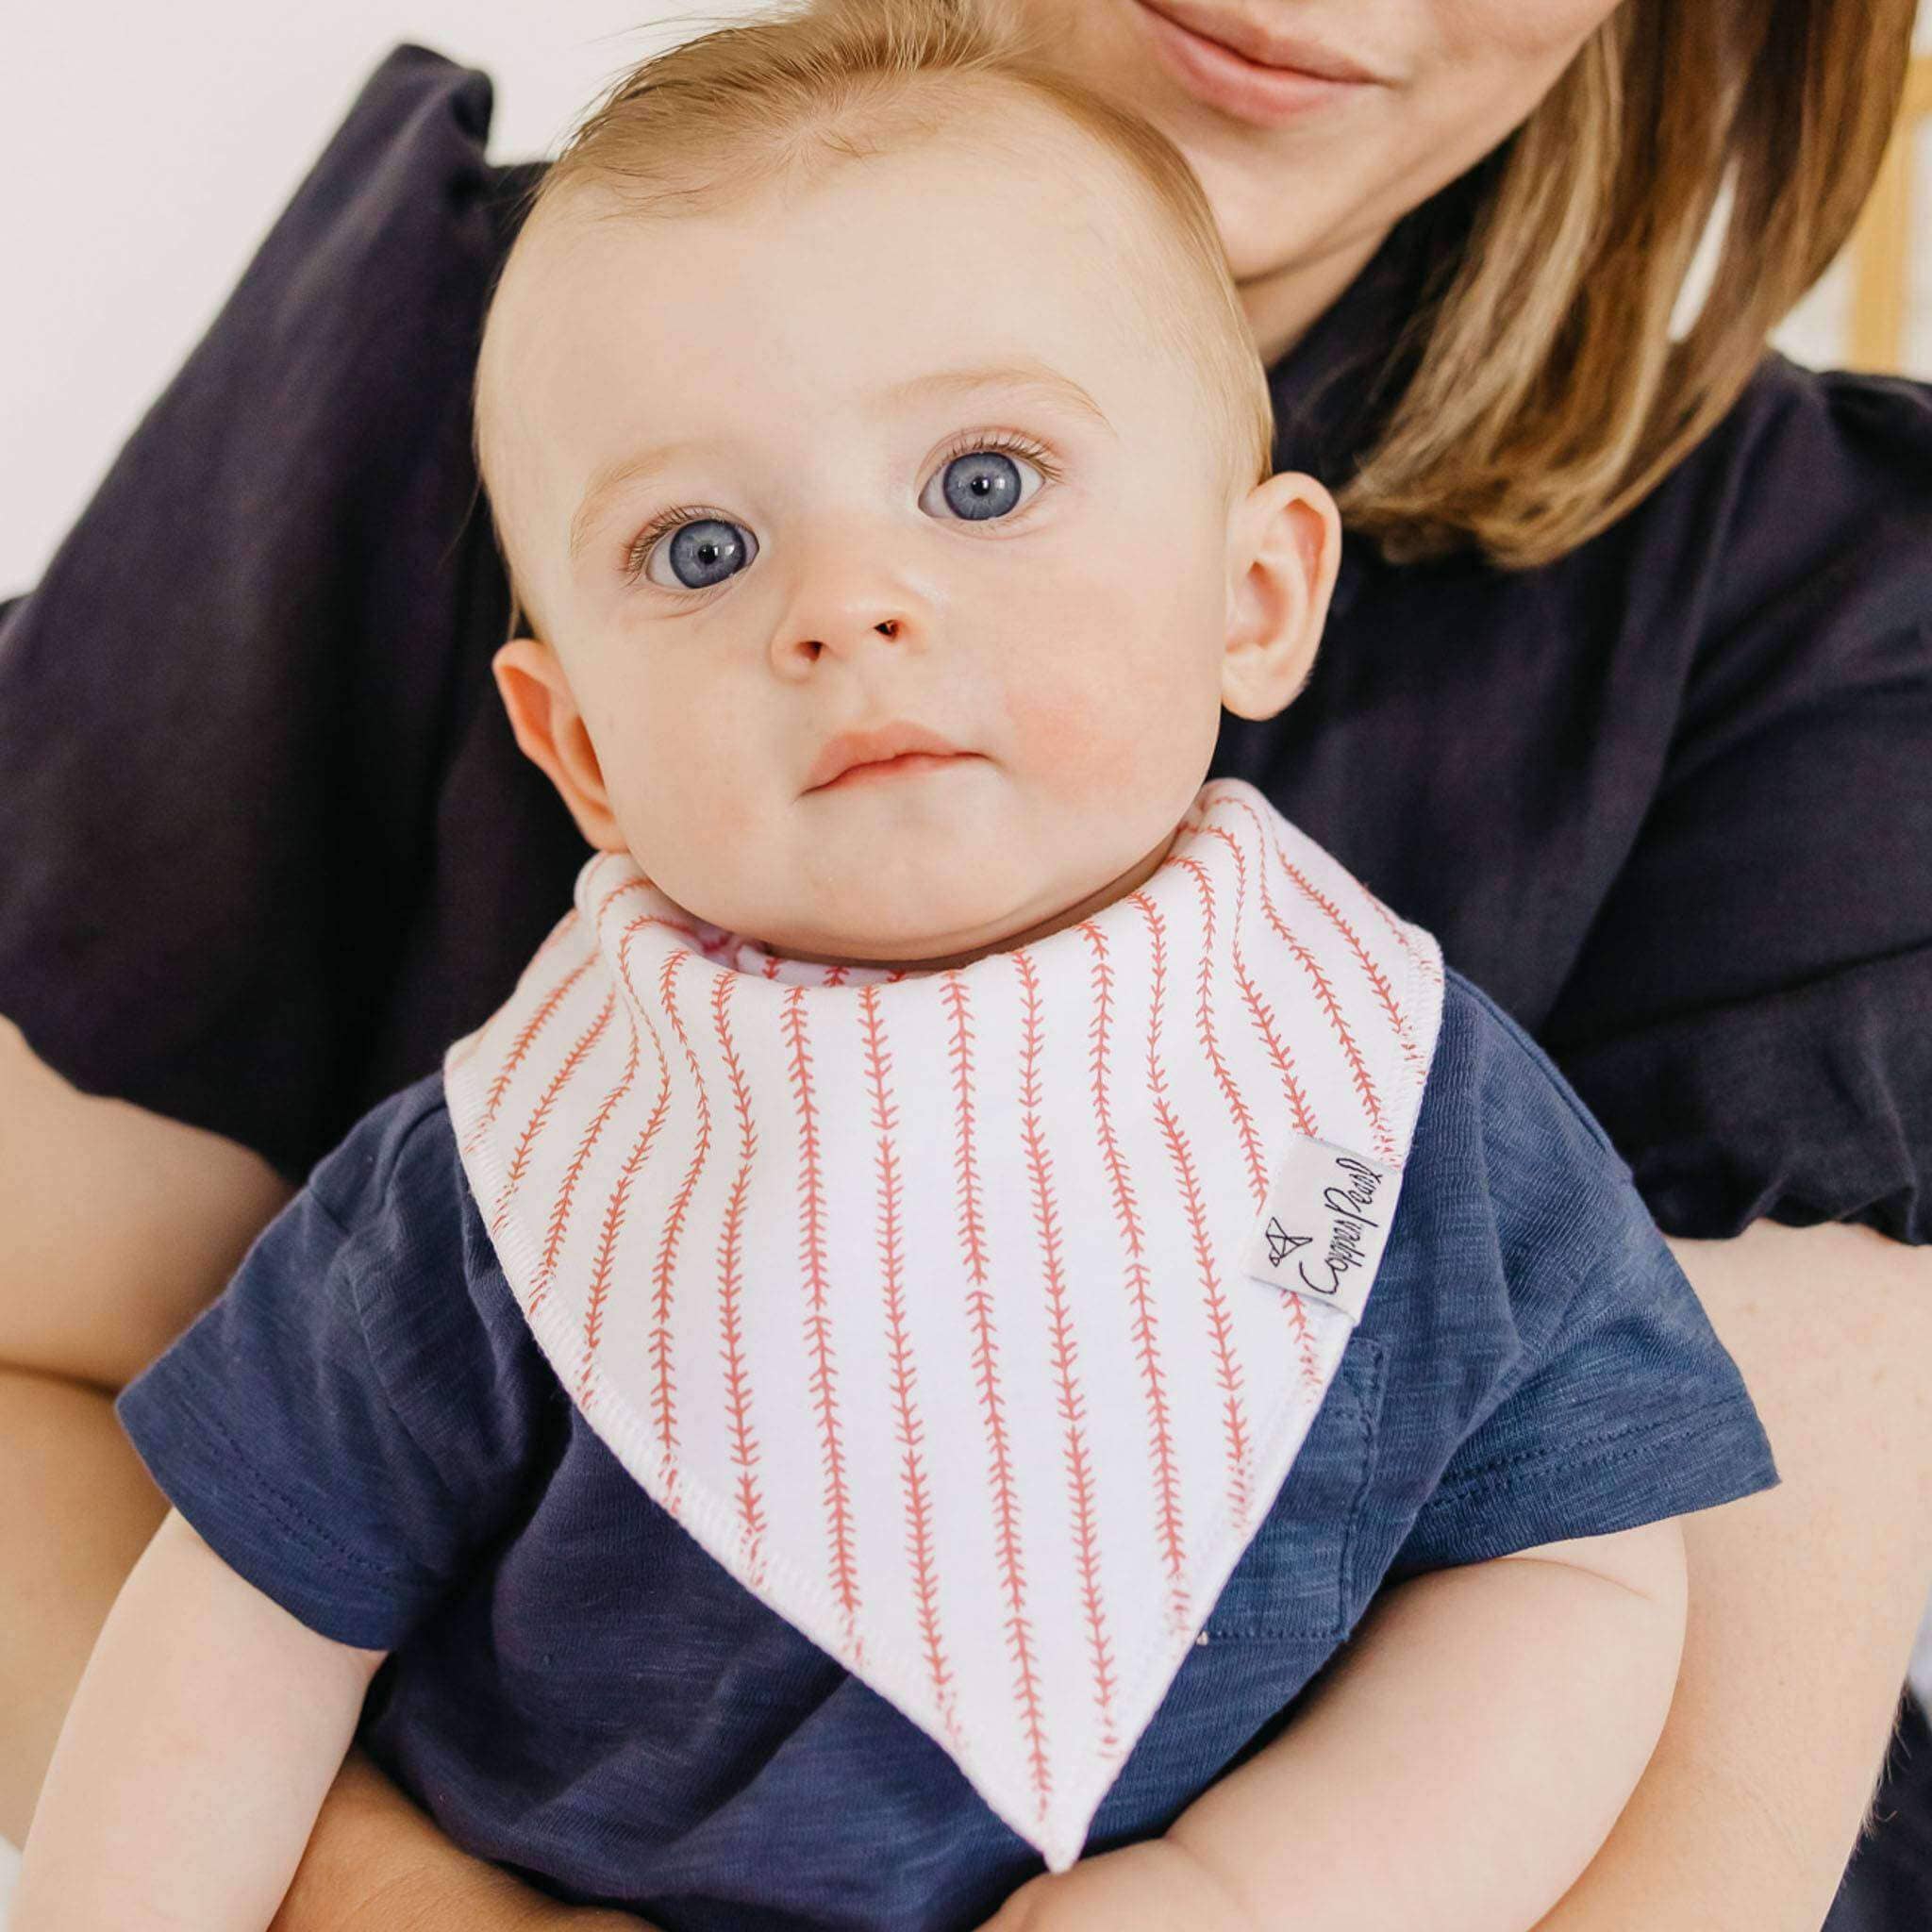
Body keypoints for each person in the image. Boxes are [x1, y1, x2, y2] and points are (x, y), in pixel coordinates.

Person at [0, 1, 1924, 1928]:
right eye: (697, 550)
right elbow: (237, 1600)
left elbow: (1587, 1567)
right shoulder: (502, 1173)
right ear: (568, 740)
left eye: (984, 486)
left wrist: (1252, 1892)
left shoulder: (1396, 1084)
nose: (853, 606)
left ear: (1260, 595)